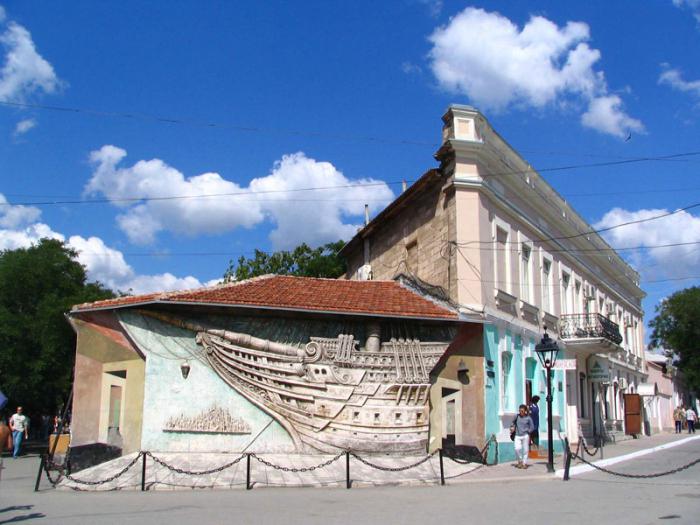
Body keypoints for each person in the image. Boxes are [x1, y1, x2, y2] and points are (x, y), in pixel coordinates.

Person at [511, 404, 535, 469]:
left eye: (522, 411)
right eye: (519, 410)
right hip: (517, 435)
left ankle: (524, 463)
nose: (520, 412)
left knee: (525, 450)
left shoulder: (528, 418)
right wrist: (512, 427)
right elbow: (512, 423)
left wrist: (528, 431)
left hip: (525, 435)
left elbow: (532, 427)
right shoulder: (517, 416)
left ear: (525, 411)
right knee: (517, 449)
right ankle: (520, 461)